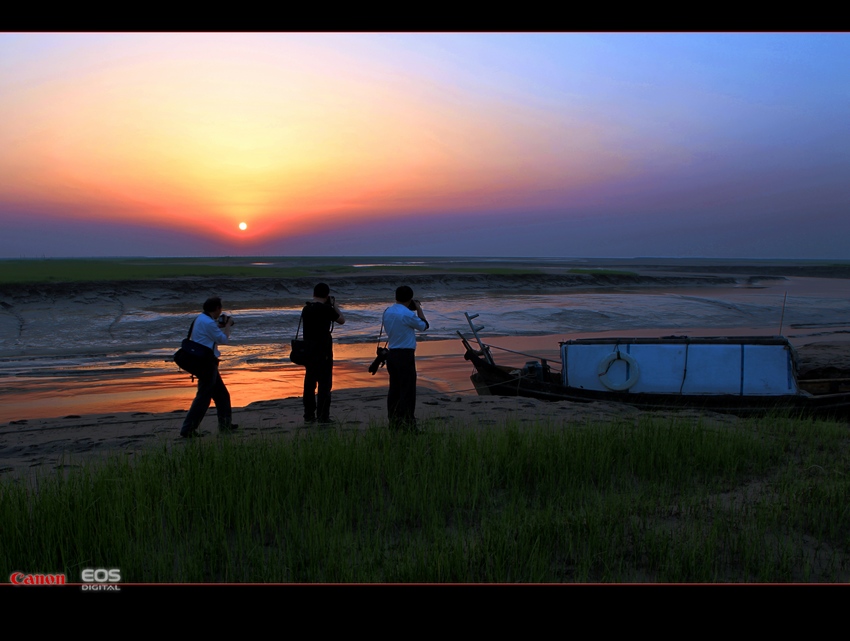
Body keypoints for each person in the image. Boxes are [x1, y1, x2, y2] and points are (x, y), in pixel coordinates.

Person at [180, 296, 237, 438]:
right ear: (217, 308)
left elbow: (206, 333)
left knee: (222, 395)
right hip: (207, 363)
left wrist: (219, 326)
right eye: (220, 309)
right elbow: (223, 339)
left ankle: (225, 425)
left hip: (203, 361)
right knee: (203, 398)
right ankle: (188, 429)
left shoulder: (200, 319)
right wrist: (228, 325)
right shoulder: (209, 322)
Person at [382, 285, 429, 428]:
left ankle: (394, 420)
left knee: (394, 389)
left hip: (391, 353)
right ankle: (408, 422)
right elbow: (424, 326)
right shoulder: (407, 315)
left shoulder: (387, 311)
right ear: (410, 298)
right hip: (405, 355)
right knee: (407, 390)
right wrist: (419, 308)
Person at [301, 283, 345, 424]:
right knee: (324, 385)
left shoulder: (306, 309)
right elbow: (341, 320)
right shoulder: (327, 309)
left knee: (309, 384)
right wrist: (333, 305)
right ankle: (323, 415)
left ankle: (308, 414)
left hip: (308, 351)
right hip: (323, 351)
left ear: (314, 294)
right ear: (326, 295)